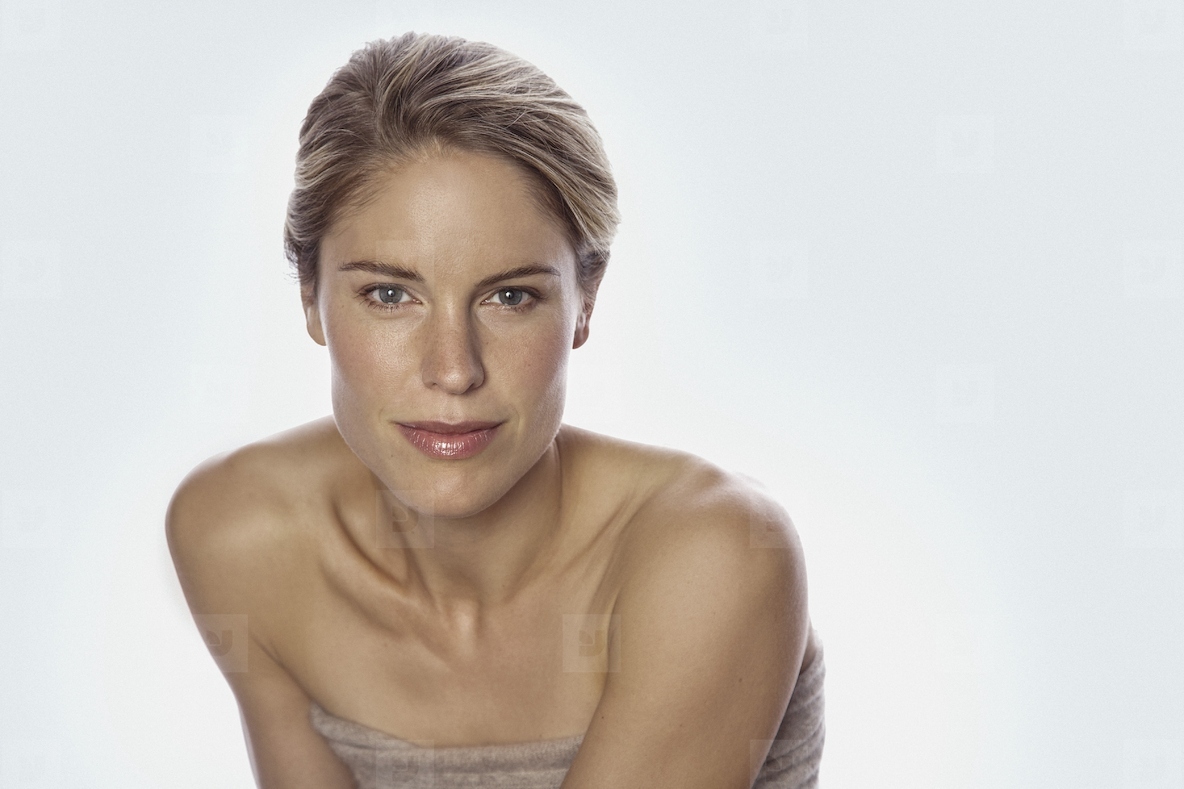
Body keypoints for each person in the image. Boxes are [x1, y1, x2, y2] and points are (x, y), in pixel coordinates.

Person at [166, 31, 824, 789]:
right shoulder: (240, 535)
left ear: (585, 303)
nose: (453, 369)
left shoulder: (713, 553)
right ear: (311, 300)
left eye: (511, 296)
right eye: (389, 294)